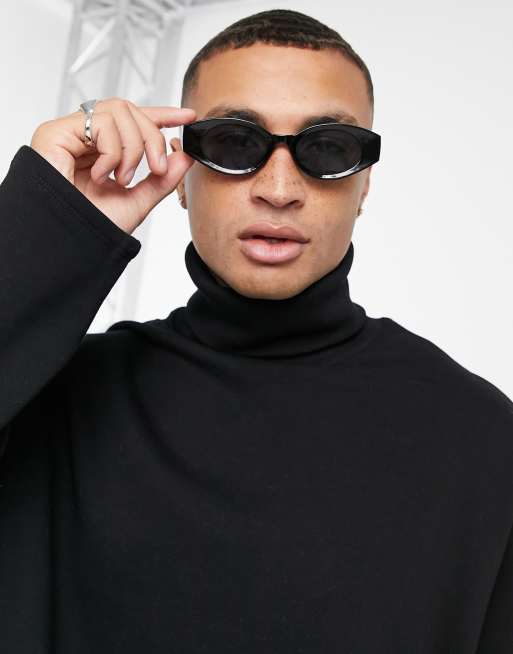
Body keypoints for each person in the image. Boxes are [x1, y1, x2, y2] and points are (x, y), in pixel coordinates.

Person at [0, 8, 511, 653]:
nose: (279, 188)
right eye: (236, 143)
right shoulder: (53, 401)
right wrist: (43, 224)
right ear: (181, 173)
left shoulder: (482, 440)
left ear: (364, 183)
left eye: (328, 149)